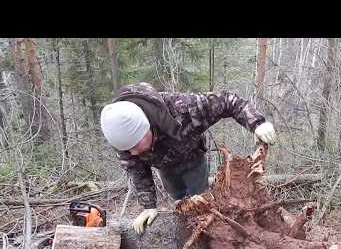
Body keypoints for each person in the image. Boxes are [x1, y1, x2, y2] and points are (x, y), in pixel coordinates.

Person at [100, 82, 276, 234]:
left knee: (202, 203)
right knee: (180, 203)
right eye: (127, 149)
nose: (134, 153)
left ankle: (210, 231)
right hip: (165, 168)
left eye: (136, 144)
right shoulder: (120, 137)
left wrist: (257, 123)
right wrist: (149, 206)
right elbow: (137, 171)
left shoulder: (184, 109)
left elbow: (228, 101)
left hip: (193, 160)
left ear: (147, 126)